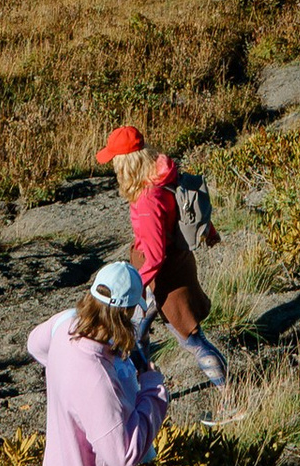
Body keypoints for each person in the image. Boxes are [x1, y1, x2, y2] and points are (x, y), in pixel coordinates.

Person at [28, 265, 169, 466]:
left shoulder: (65, 324)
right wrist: (154, 391)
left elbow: (34, 344)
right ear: (126, 313)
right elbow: (124, 454)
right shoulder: (96, 378)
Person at [97, 123, 229, 389]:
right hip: (177, 264)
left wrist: (133, 288)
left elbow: (155, 256)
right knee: (135, 335)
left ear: (126, 162)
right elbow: (188, 206)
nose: (112, 167)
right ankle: (143, 387)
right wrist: (210, 231)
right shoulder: (163, 175)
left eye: (114, 161)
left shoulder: (146, 199)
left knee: (191, 340)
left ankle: (231, 397)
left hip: (160, 277)